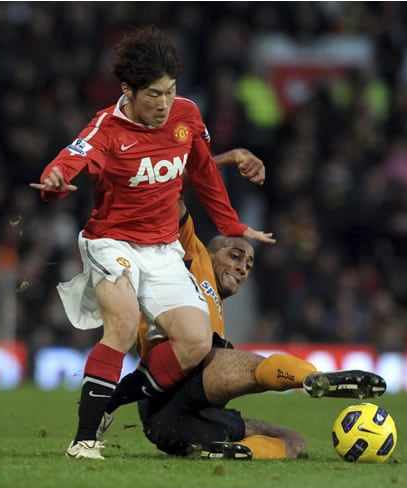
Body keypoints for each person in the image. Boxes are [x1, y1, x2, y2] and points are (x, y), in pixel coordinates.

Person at [29, 26, 275, 460]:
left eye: (170, 91)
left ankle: (111, 402)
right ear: (128, 89)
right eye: (153, 95)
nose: (164, 104)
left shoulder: (187, 115)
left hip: (163, 249)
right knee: (122, 325)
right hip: (112, 242)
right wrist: (55, 181)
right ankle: (84, 441)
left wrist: (234, 225)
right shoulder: (107, 127)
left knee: (196, 341)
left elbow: (201, 174)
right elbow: (72, 157)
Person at [99, 149, 387, 460]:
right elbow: (172, 191)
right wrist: (224, 160)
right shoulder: (191, 257)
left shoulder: (214, 310)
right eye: (235, 255)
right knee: (221, 355)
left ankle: (230, 452)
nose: (242, 267)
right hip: (169, 389)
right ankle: (310, 378)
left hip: (182, 427)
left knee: (293, 441)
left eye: (249, 264)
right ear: (209, 253)